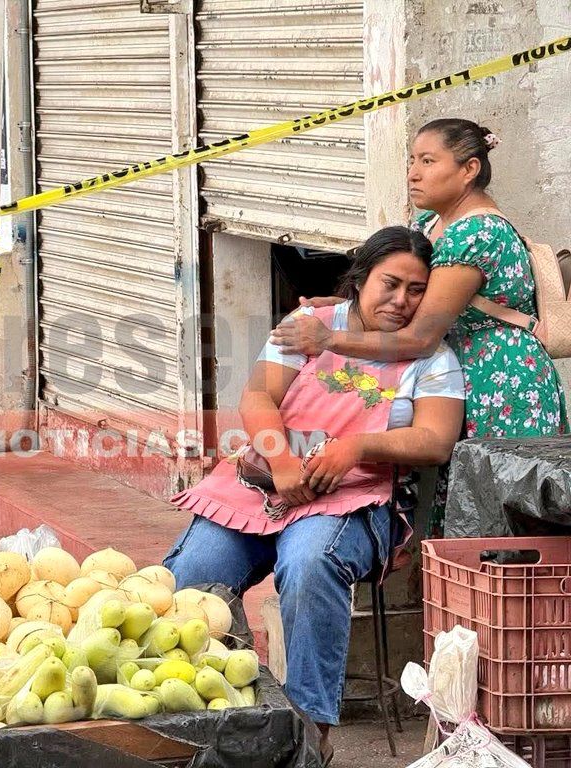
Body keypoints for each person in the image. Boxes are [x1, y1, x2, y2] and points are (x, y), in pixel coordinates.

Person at [163, 227, 465, 762]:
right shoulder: (309, 326)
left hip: (355, 497)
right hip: (263, 486)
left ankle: (307, 733)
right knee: (190, 576)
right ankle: (197, 714)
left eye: (416, 290)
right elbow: (257, 396)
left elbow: (436, 440)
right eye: (390, 284)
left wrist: (354, 447)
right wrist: (282, 462)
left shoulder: (432, 357)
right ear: (360, 279)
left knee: (309, 563)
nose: (401, 300)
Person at [270, 119, 568, 535]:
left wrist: (330, 339)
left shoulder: (478, 231)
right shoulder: (430, 224)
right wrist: (347, 304)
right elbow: (412, 293)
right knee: (472, 505)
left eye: (428, 161)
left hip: (503, 383)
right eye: (412, 160)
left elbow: (421, 338)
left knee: (503, 507)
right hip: (463, 374)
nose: (413, 173)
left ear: (469, 170)